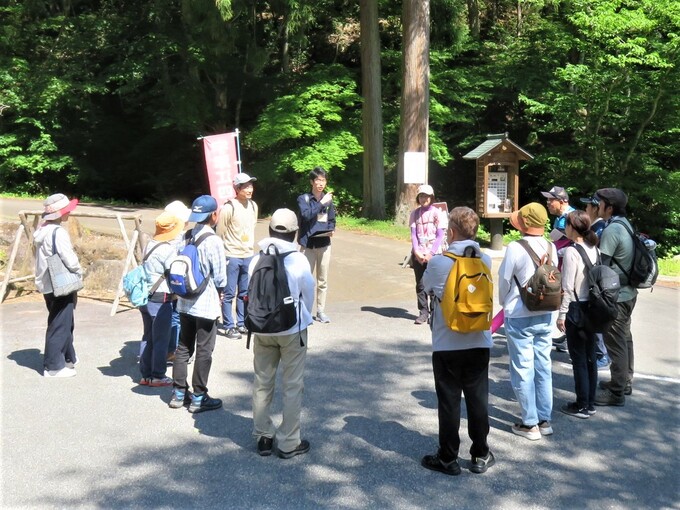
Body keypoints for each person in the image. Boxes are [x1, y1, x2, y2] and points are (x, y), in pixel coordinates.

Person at [420, 207, 495, 475]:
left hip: (447, 342)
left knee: (449, 401)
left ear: (451, 232)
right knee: (478, 399)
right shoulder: (485, 260)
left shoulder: (439, 263)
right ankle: (481, 454)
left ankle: (448, 457)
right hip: (479, 341)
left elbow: (426, 287)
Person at [249, 209, 315, 458]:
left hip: (262, 329)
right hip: (291, 330)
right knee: (292, 385)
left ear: (269, 230)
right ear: (295, 232)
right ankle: (289, 442)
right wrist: (303, 318)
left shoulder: (257, 260)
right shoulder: (298, 260)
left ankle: (263, 436)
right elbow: (307, 295)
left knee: (262, 383)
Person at [498, 203, 556, 440]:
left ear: (524, 223)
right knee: (543, 365)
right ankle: (544, 420)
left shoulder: (515, 247)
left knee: (523, 367)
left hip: (520, 314)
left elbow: (504, 281)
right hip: (545, 313)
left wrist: (504, 304)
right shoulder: (552, 246)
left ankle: (529, 423)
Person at [170, 195, 227, 413]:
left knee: (183, 346)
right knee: (204, 350)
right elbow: (221, 277)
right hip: (205, 304)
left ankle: (178, 393)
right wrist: (221, 293)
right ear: (214, 215)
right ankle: (199, 396)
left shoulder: (185, 236)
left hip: (184, 301)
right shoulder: (212, 241)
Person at [594, 188, 637, 406]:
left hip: (617, 296)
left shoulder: (612, 231)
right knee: (625, 338)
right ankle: (625, 381)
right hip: (629, 292)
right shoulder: (625, 224)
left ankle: (617, 392)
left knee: (615, 342)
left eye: (599, 202)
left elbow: (603, 268)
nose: (595, 205)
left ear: (609, 207)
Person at [556, 210, 600, 418]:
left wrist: (561, 315)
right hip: (593, 307)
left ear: (573, 227)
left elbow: (567, 287)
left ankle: (581, 404)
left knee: (579, 359)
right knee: (590, 356)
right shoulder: (594, 248)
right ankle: (590, 402)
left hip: (576, 307)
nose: (565, 228)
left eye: (566, 225)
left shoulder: (572, 252)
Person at [33, 194, 82, 378]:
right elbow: (68, 257)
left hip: (47, 282)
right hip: (60, 282)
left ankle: (68, 357)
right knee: (60, 323)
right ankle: (53, 366)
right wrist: (79, 271)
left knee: (63, 319)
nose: (69, 212)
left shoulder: (42, 230)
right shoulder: (57, 232)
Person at [137, 212, 183, 387]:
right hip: (161, 298)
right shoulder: (167, 250)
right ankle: (158, 375)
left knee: (147, 336)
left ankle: (145, 374)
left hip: (146, 296)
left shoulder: (150, 244)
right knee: (161, 339)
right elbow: (176, 272)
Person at [216, 173, 259, 340]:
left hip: (248, 254)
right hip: (232, 255)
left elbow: (252, 226)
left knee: (245, 292)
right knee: (229, 293)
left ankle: (241, 323)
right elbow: (220, 232)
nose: (250, 189)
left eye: (251, 185)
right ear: (237, 188)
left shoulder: (254, 206)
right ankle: (228, 325)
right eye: (246, 186)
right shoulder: (229, 208)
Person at [297, 167, 336, 324]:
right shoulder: (304, 199)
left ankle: (320, 310)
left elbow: (331, 219)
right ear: (312, 182)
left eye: (323, 180)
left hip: (324, 243)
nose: (321, 183)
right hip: (308, 245)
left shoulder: (328, 200)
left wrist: (331, 229)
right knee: (305, 280)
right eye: (318, 180)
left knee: (322, 280)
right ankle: (304, 311)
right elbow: (306, 215)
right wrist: (322, 203)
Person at [541, 186, 575, 351]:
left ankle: (571, 338)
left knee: (569, 301)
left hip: (570, 268)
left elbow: (571, 245)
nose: (548, 203)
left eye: (551, 200)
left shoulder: (571, 218)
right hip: (561, 266)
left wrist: (552, 252)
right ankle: (567, 336)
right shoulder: (561, 217)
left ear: (562, 201)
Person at [409, 184, 447, 325]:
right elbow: (413, 235)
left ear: (432, 197)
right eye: (421, 196)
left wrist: (430, 253)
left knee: (435, 284)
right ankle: (423, 312)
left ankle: (435, 311)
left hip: (434, 253)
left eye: (427, 196)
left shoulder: (437, 213)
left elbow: (440, 235)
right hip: (419, 253)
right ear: (418, 197)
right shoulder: (414, 214)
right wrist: (417, 252)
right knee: (420, 284)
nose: (424, 198)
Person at [580, 193, 610, 370]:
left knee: (594, 316)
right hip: (595, 280)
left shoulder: (599, 228)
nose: (585, 209)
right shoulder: (597, 226)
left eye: (588, 206)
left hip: (596, 281)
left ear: (595, 208)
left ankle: (602, 354)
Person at [163, 200, 192, 363]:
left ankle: (170, 349)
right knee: (176, 316)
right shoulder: (178, 238)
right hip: (175, 281)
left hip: (168, 282)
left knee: (173, 316)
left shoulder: (164, 236)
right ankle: (172, 351)